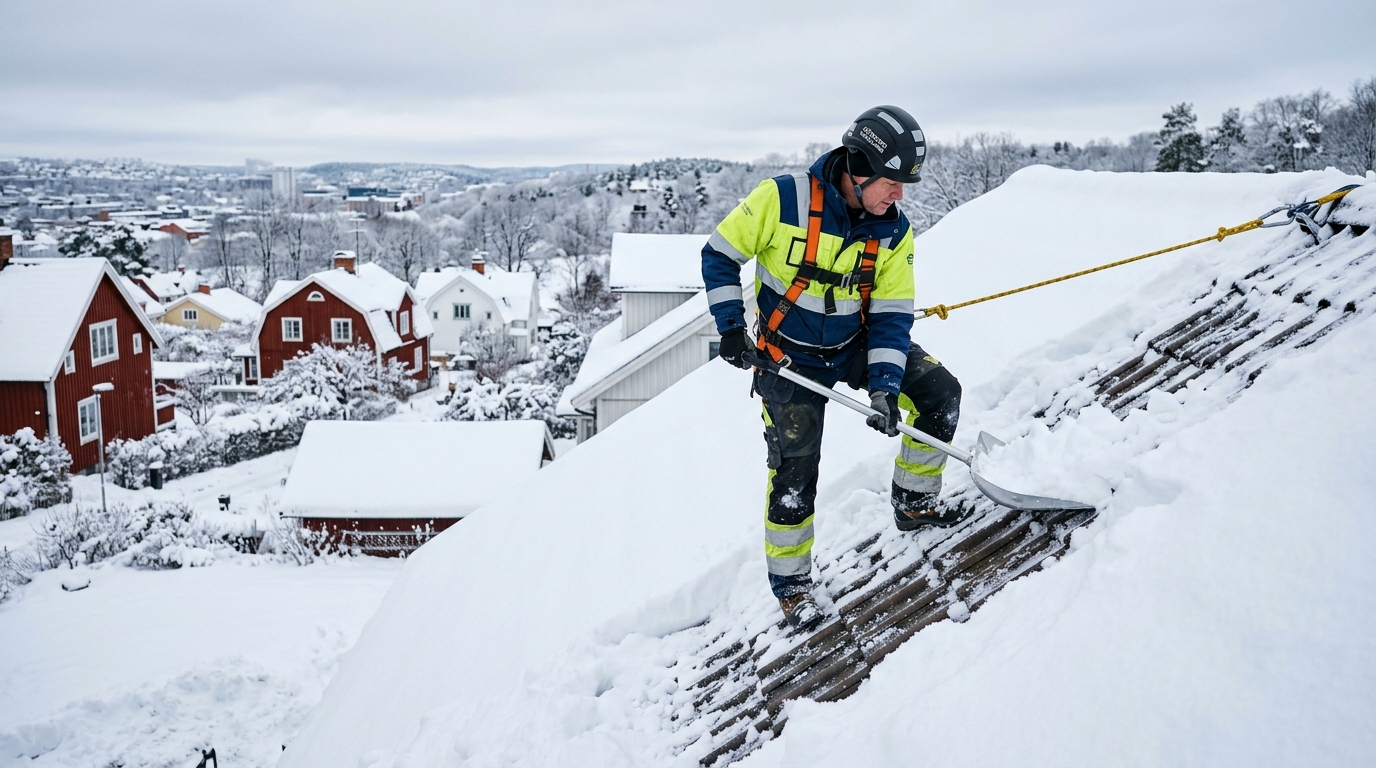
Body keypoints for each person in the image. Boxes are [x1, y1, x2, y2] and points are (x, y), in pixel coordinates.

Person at [701, 106, 963, 631]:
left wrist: (885, 386)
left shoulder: (895, 232)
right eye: (892, 181)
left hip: (854, 343)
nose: (900, 194)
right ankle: (792, 585)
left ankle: (914, 502)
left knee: (939, 393)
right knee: (795, 470)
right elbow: (719, 254)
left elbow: (891, 316)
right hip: (786, 356)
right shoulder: (782, 199)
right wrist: (730, 327)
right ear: (859, 168)